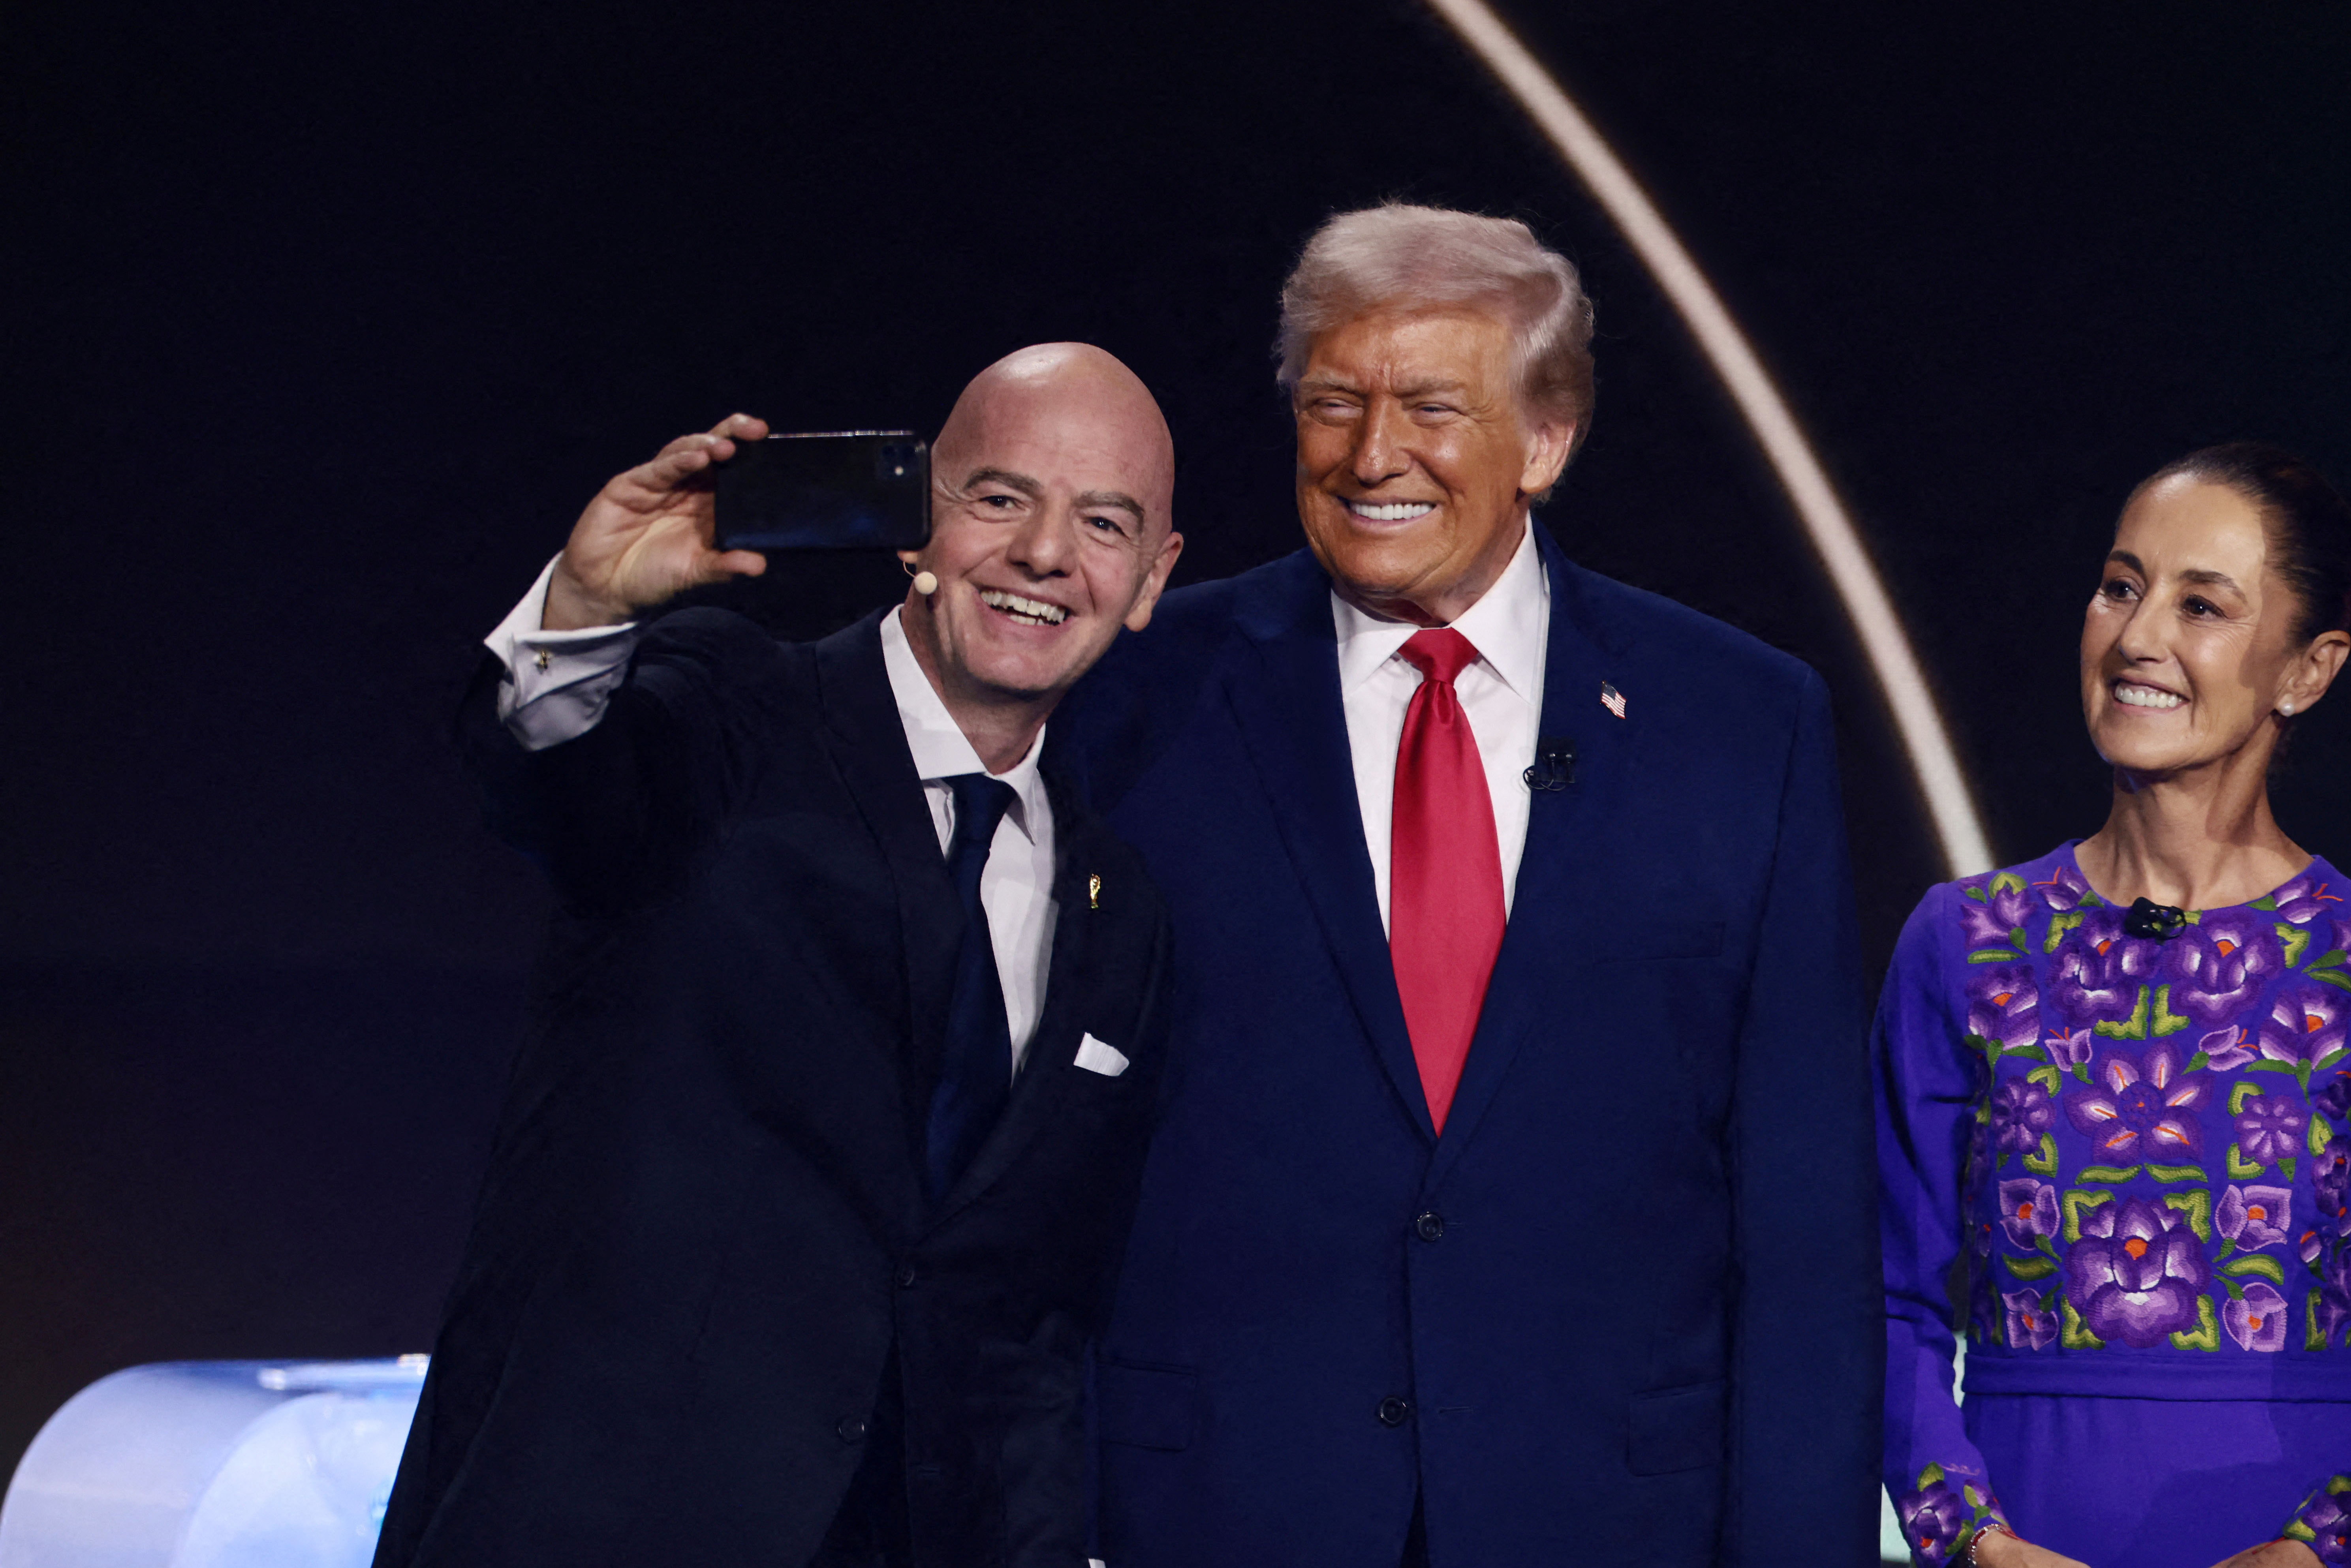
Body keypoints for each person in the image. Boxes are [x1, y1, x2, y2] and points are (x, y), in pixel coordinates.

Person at [1057, 204, 1881, 1565]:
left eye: (1431, 406)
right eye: (1333, 403)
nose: (1372, 455)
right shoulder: (1145, 690)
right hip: (1219, 1505)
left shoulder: (1740, 721)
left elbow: (1800, 1215)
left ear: (1545, 440)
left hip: (1609, 1513)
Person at [373, 343, 1186, 1568]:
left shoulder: (1117, 909)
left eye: (1103, 520)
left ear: (1150, 581)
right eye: (1001, 497)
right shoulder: (728, 709)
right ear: (916, 525)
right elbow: (552, 780)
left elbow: (1029, 1322)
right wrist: (588, 613)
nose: (1043, 556)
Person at [1877, 443, 2351, 1568]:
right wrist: (1973, 1540)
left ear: (2305, 669)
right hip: (2024, 1533)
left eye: (2202, 605)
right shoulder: (1964, 942)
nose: (2138, 637)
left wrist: (2317, 1545)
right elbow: (1878, 1297)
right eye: (2119, 586)